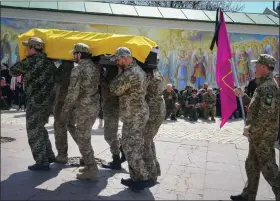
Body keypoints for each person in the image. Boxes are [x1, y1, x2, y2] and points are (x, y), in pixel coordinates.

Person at [231, 54, 280, 201]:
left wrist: (251, 128)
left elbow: (266, 115)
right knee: (251, 165)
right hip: (257, 135)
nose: (254, 68)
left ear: (264, 68)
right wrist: (243, 96)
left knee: (269, 168)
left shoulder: (269, 87)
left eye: (257, 66)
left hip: (263, 135)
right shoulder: (263, 85)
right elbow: (256, 106)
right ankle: (248, 195)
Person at [109, 47, 153, 190]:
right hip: (136, 113)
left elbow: (114, 89)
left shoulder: (130, 73)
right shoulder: (138, 70)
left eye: (117, 59)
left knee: (130, 147)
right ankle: (136, 178)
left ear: (123, 58)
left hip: (134, 115)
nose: (117, 62)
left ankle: (142, 178)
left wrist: (119, 73)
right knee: (133, 145)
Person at [9, 37, 56, 171]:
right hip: (48, 102)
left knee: (33, 130)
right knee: (40, 127)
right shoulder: (48, 62)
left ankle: (42, 161)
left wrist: (22, 58)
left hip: (35, 102)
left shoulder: (29, 62)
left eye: (27, 47)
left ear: (32, 48)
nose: (25, 49)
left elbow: (12, 71)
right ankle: (49, 155)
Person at [60, 43, 100, 180]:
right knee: (84, 136)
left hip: (84, 108)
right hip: (94, 106)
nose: (73, 56)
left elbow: (72, 93)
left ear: (78, 54)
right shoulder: (95, 67)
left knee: (83, 139)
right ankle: (89, 166)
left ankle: (92, 169)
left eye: (74, 54)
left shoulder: (78, 70)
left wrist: (64, 111)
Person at [142, 68, 165, 183]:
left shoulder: (149, 74)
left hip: (153, 110)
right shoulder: (157, 72)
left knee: (145, 143)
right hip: (159, 107)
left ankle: (151, 174)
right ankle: (155, 170)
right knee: (149, 141)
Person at [53, 60, 74, 164]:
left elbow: (56, 79)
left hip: (62, 103)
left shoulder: (65, 68)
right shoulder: (74, 67)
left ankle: (62, 155)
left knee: (59, 127)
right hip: (71, 103)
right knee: (72, 127)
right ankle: (87, 154)